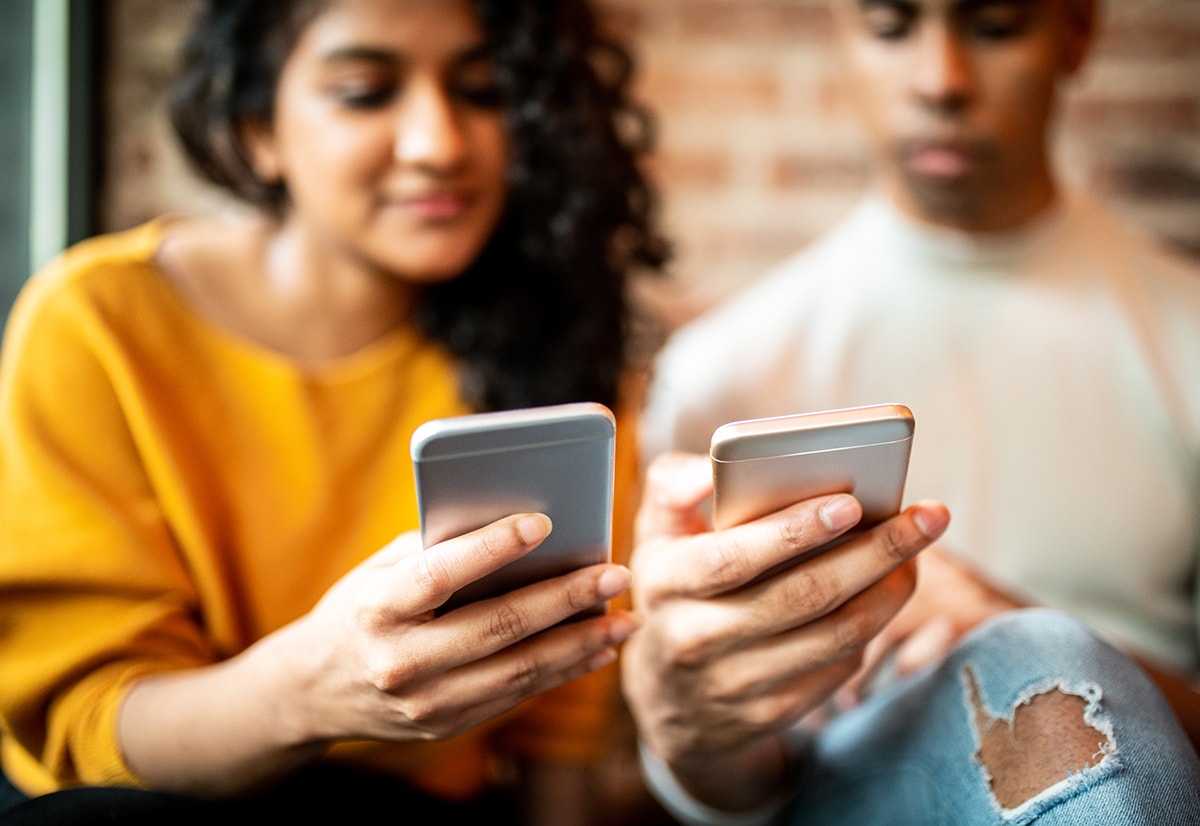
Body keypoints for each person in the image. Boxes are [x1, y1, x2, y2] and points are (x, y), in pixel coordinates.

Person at [0, 1, 672, 823]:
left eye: (484, 90)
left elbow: (557, 736)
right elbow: (92, 721)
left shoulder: (557, 342)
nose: (439, 144)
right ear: (259, 132)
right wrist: (311, 690)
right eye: (364, 91)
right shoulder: (97, 322)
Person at [624, 0, 1200, 822]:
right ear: (842, 34)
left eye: (995, 25)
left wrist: (1020, 637)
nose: (940, 81)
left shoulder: (1185, 336)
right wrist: (691, 729)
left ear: (1076, 35)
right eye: (892, 27)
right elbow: (735, 792)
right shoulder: (726, 372)